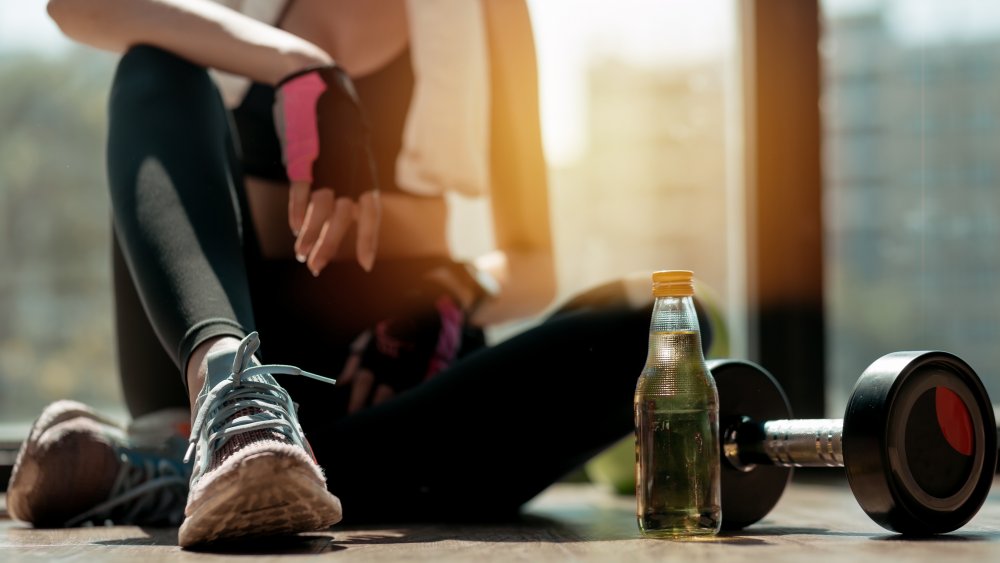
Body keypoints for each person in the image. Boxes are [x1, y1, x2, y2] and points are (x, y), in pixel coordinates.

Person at [7, 0, 712, 549]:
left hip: (403, 376)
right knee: (153, 68)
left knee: (668, 319)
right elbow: (76, 8)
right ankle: (232, 415)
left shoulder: (487, 12)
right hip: (236, 345)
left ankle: (174, 473)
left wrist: (453, 294)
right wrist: (303, 66)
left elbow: (533, 265)